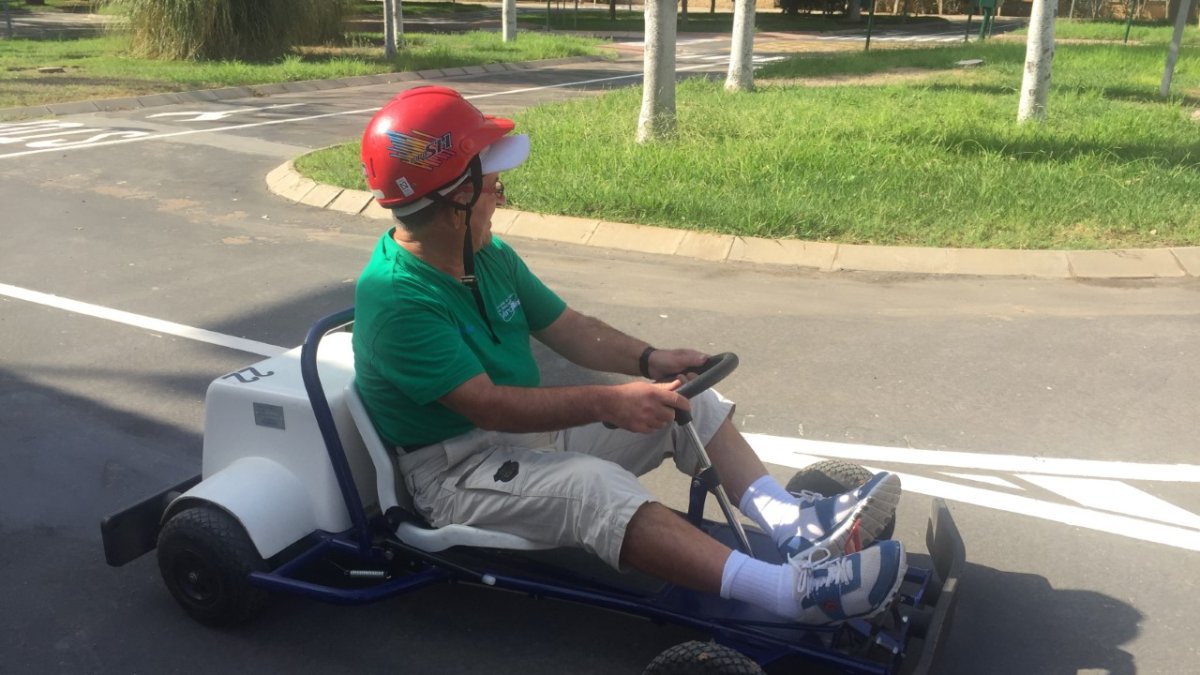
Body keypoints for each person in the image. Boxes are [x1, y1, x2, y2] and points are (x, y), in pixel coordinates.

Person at [352, 85, 906, 625]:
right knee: (595, 489)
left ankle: (794, 527)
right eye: (491, 183)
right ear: (456, 203)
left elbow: (568, 326)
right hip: (458, 474)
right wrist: (609, 402)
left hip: (521, 442)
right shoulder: (397, 299)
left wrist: (650, 360)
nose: (500, 193)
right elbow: (489, 407)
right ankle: (791, 593)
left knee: (688, 403)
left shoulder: (487, 254)